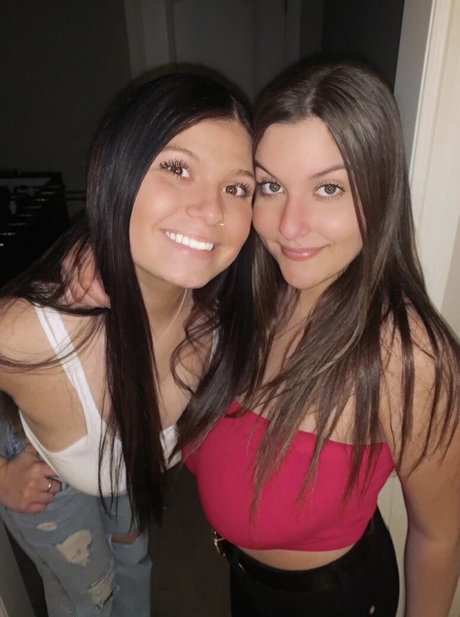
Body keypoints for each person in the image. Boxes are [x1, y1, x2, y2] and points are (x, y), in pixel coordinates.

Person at [181, 59, 460, 617]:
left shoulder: (407, 355)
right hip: (242, 582)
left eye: (329, 188)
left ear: (378, 193)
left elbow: (440, 537)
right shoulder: (245, 297)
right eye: (271, 186)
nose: (289, 225)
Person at [0, 70, 257, 617]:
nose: (212, 210)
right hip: (44, 474)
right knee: (89, 597)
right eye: (177, 168)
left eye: (237, 187)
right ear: (118, 169)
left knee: (135, 564)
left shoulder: (222, 320)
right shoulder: (34, 335)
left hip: (123, 473)